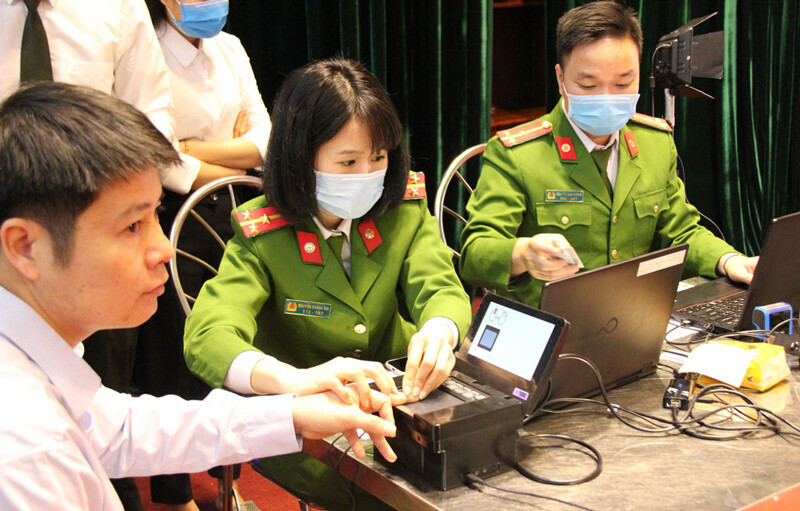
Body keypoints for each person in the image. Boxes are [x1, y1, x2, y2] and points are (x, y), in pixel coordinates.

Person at [0, 81, 401, 511]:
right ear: (26, 247)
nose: (164, 249)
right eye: (132, 226)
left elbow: (118, 429)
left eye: (156, 215)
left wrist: (292, 413)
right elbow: (207, 337)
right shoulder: (26, 451)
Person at [183, 57, 473, 509]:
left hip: (402, 398)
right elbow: (208, 336)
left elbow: (439, 286)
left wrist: (439, 331)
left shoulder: (400, 210)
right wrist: (293, 381)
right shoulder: (264, 233)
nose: (367, 175)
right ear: (302, 158)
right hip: (308, 426)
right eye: (348, 161)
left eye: (379, 158)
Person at [459, 0, 758, 307]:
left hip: (632, 314)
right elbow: (474, 254)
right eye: (588, 85)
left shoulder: (654, 143)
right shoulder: (520, 154)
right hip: (552, 320)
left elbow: (680, 230)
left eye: (622, 83)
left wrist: (728, 260)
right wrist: (522, 254)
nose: (607, 97)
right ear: (561, 79)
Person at [136, 1, 272, 508]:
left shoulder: (230, 47)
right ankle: (173, 493)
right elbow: (159, 158)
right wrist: (231, 158)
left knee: (236, 338)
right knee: (174, 355)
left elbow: (264, 139)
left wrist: (194, 148)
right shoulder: (146, 48)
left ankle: (226, 477)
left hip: (238, 205)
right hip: (175, 213)